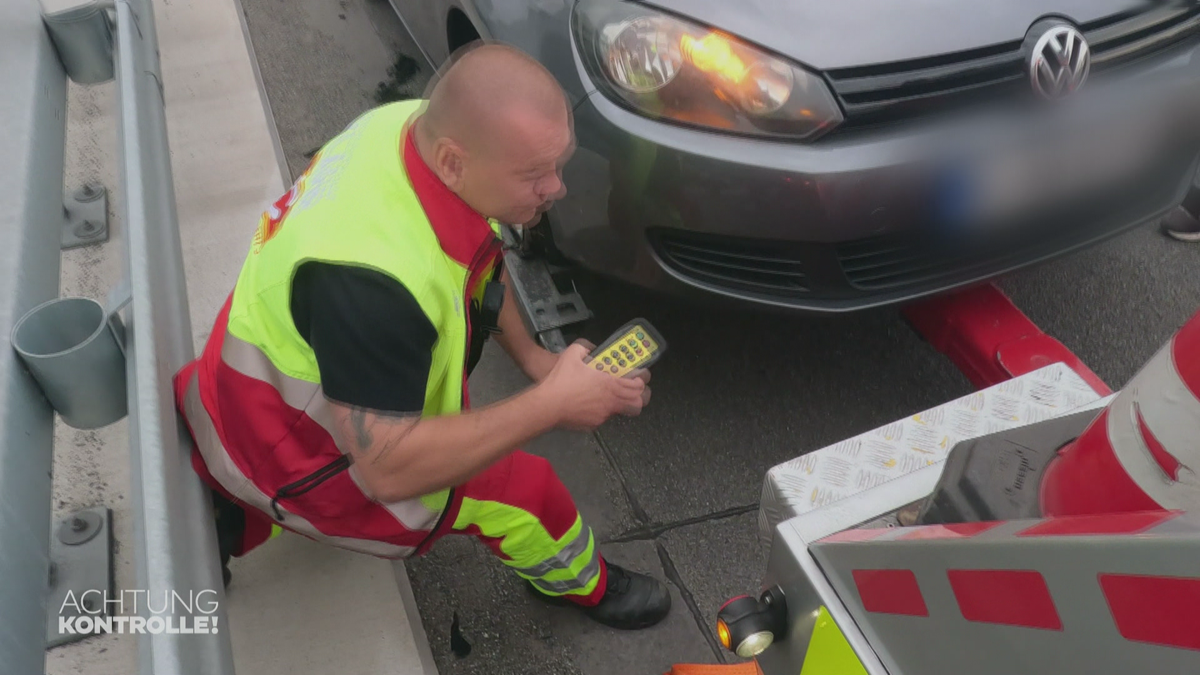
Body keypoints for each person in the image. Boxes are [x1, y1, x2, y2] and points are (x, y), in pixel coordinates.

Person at [173, 42, 672, 630]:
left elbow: (479, 261)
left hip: (238, 390)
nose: (557, 189)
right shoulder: (372, 289)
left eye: (557, 166)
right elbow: (388, 471)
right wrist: (553, 404)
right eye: (535, 174)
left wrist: (538, 360)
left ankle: (225, 512)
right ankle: (583, 584)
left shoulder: (406, 130)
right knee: (527, 494)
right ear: (454, 161)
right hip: (295, 453)